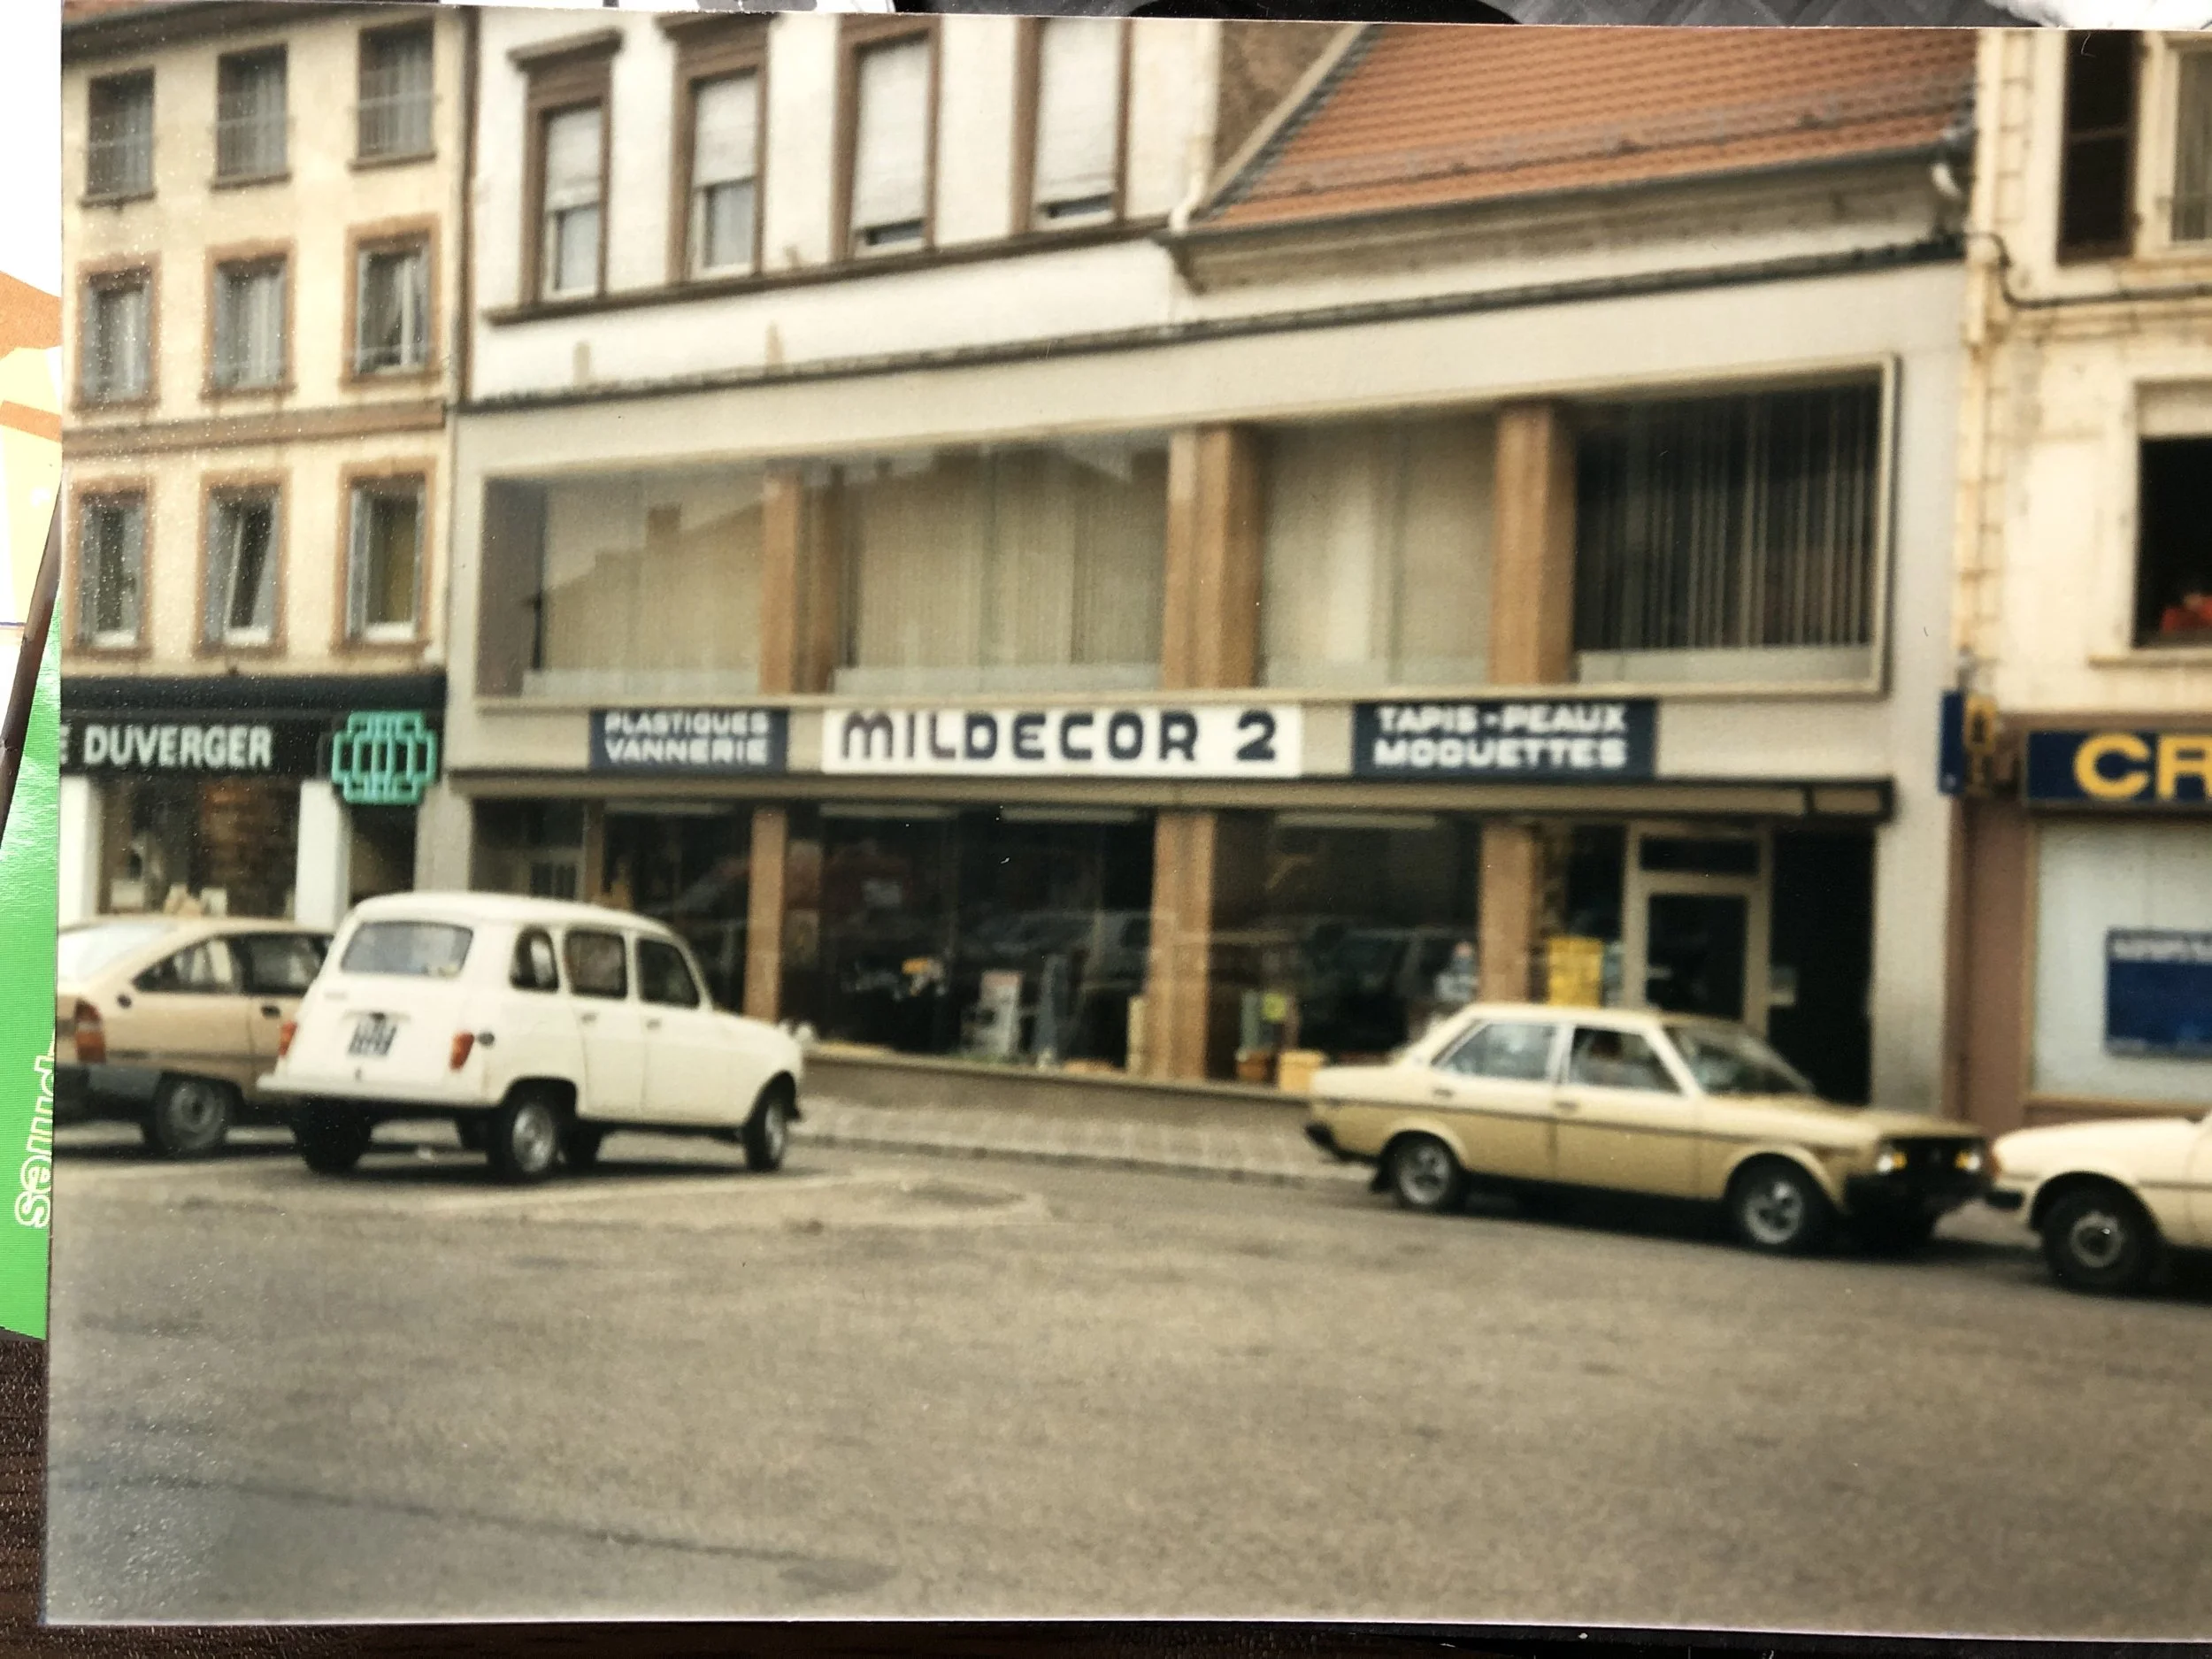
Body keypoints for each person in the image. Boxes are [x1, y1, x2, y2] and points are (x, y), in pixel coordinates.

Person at [1432, 940, 1479, 1010]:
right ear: (1453, 957)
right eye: (1460, 958)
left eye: (1468, 958)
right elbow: (1446, 997)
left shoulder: (1482, 978)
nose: (1464, 961)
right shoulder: (1444, 978)